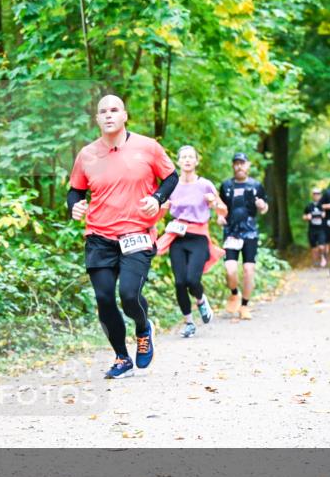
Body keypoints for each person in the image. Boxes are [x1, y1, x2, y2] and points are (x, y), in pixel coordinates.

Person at [68, 94, 178, 378]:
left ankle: (143, 328)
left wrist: (158, 197)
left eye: (114, 110)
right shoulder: (87, 155)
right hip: (99, 236)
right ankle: (121, 357)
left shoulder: (148, 147)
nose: (108, 115)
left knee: (129, 295)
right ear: (97, 119)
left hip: (137, 234)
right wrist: (74, 205)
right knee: (104, 299)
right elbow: (76, 190)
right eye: (103, 111)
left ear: (124, 115)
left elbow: (171, 177)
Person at [156, 145, 226, 338]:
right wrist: (164, 207)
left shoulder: (205, 185)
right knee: (179, 283)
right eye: (183, 157)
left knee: (192, 280)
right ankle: (188, 322)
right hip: (177, 237)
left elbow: (222, 210)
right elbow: (159, 213)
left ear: (196, 161)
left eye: (191, 157)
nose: (187, 160)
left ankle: (201, 300)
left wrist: (214, 203)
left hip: (198, 237)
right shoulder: (172, 185)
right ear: (178, 162)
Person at [218, 152, 268, 320]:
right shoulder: (226, 186)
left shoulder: (256, 185)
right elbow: (221, 207)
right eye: (236, 163)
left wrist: (262, 206)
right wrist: (219, 216)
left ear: (248, 165)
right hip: (231, 232)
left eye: (242, 163)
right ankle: (234, 293)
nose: (239, 166)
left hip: (250, 233)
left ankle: (245, 306)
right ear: (233, 166)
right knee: (230, 269)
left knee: (248, 269)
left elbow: (264, 207)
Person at [303, 188, 327, 268]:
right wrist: (307, 217)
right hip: (312, 229)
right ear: (312, 195)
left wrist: (325, 215)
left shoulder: (323, 205)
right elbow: (304, 216)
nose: (316, 196)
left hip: (321, 229)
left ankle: (323, 257)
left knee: (321, 246)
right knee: (314, 248)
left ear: (320, 195)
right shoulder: (309, 206)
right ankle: (315, 263)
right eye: (315, 194)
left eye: (318, 194)